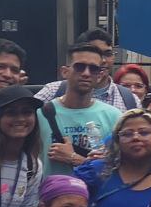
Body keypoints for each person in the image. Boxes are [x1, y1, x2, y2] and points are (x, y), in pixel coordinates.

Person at [38, 44, 124, 177]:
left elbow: (120, 169)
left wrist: (74, 158)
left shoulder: (114, 117)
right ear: (65, 72)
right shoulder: (41, 114)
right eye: (79, 67)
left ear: (99, 75)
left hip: (96, 196)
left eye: (93, 69)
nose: (86, 73)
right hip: (50, 196)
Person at [35, 29, 138, 112]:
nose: (102, 60)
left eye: (108, 54)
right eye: (94, 53)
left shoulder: (129, 100)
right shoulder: (52, 91)